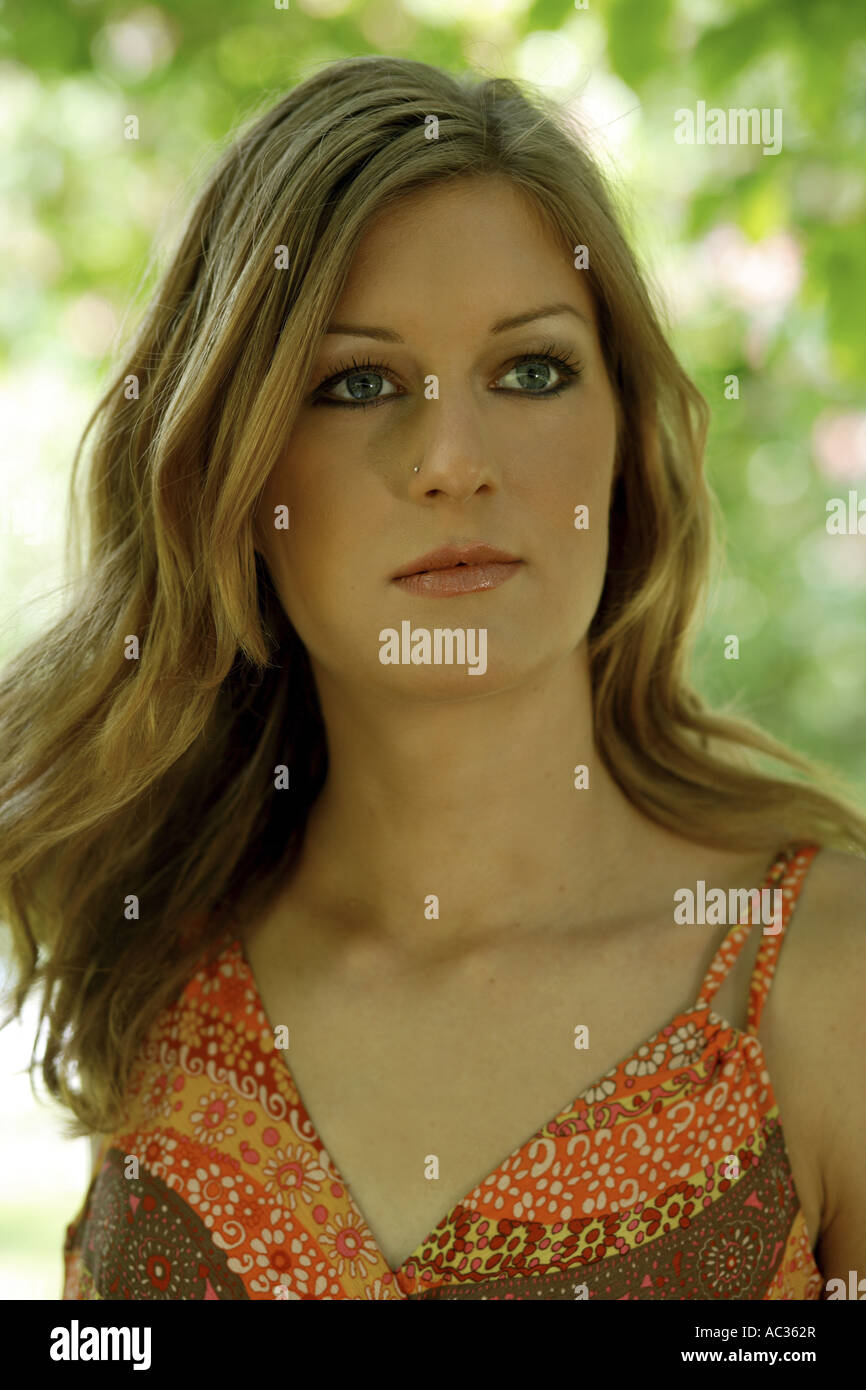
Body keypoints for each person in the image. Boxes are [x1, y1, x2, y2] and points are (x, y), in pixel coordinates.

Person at [1, 55, 864, 1301]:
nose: (453, 460)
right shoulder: (161, 986)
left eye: (530, 371)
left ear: (624, 442)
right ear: (235, 479)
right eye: (356, 384)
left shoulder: (821, 980)